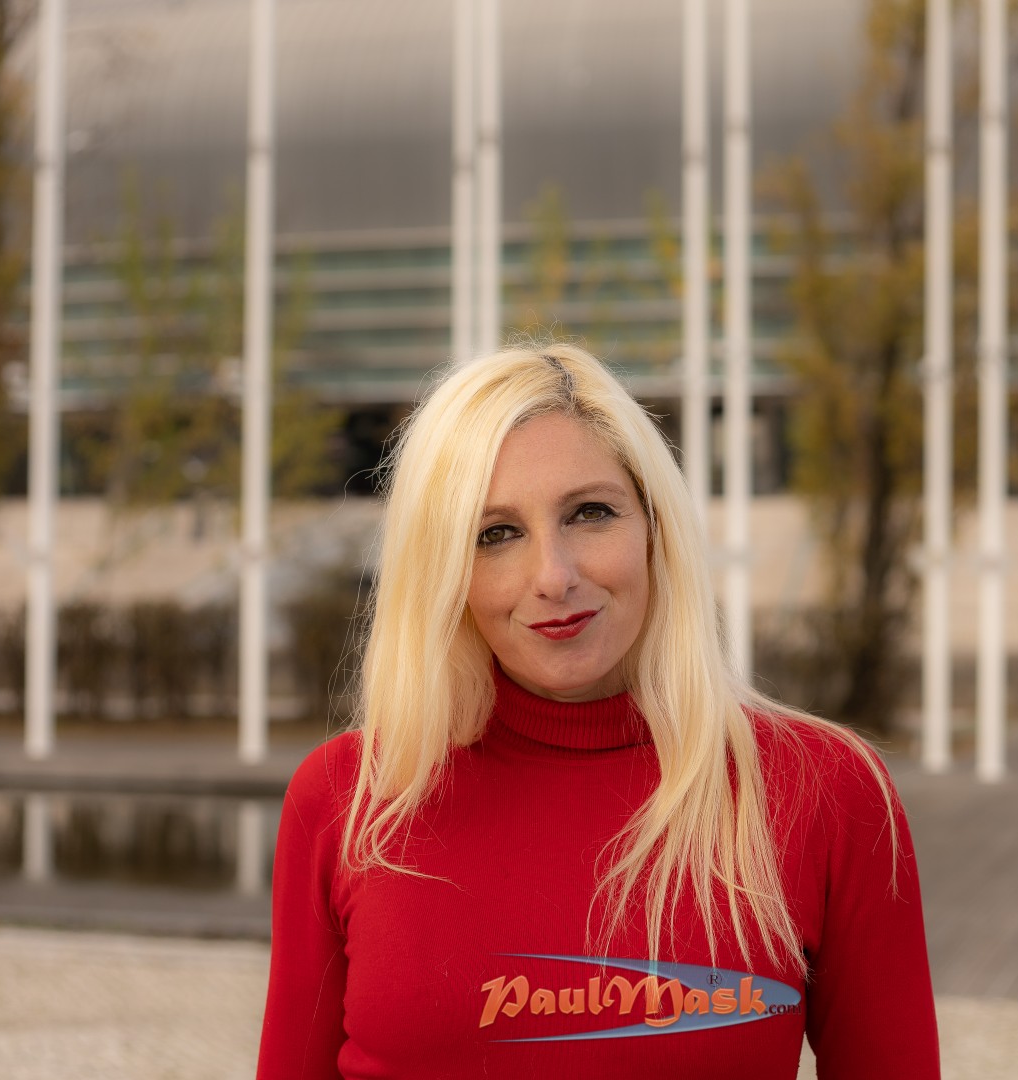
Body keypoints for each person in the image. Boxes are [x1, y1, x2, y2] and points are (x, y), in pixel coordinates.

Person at [256, 344, 939, 1079]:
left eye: (590, 513)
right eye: (495, 533)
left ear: (654, 527)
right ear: (444, 571)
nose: (554, 576)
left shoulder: (826, 793)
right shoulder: (348, 799)